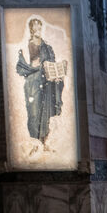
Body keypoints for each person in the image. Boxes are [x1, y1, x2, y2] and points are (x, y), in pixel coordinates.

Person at [16, 17, 64, 152]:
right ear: (31, 28)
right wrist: (34, 65)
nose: (37, 28)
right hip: (33, 82)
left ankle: (44, 142)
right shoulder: (26, 45)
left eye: (39, 26)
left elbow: (51, 61)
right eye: (35, 26)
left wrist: (56, 73)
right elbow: (22, 64)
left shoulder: (46, 46)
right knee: (34, 112)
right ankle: (34, 144)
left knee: (46, 112)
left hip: (47, 82)